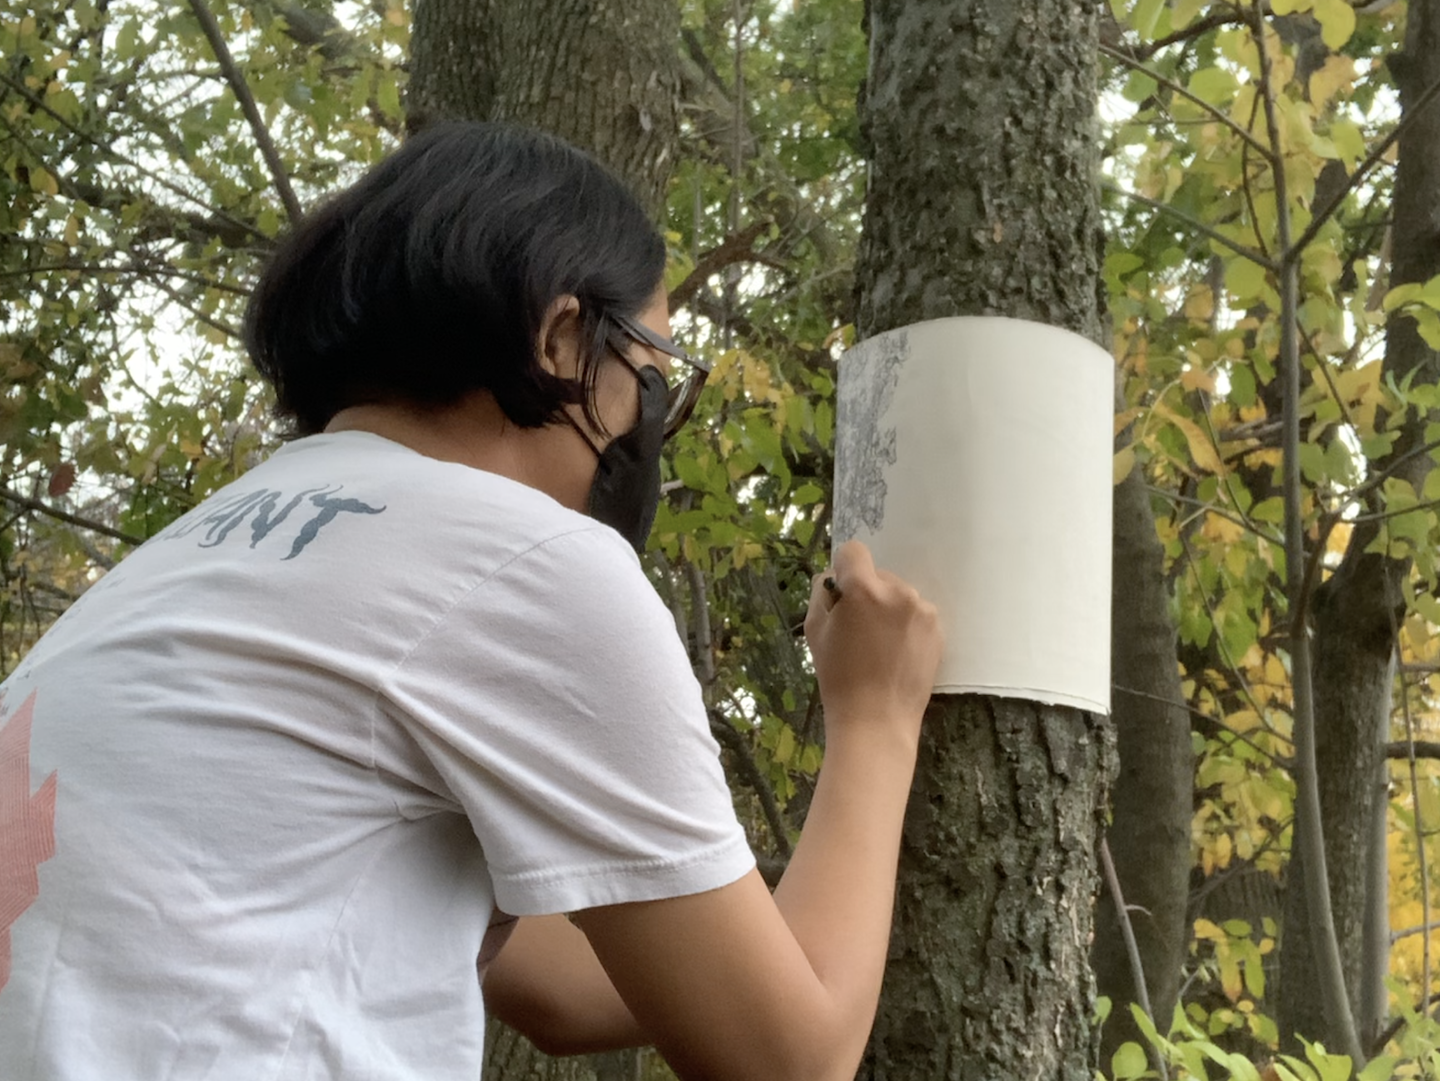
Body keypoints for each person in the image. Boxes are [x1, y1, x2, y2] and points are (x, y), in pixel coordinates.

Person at [0, 122, 942, 1081]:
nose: (652, 425)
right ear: (565, 336)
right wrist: (875, 714)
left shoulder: (198, 560)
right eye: (654, 378)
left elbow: (561, 990)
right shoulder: (521, 556)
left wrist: (783, 940)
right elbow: (789, 1058)